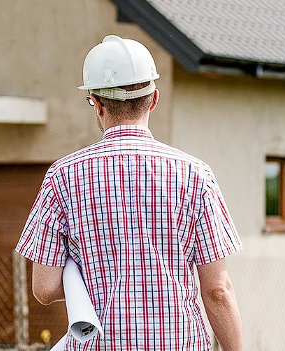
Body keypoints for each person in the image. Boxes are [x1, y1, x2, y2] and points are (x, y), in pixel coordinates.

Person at [15, 35, 243, 351]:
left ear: (95, 102)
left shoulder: (62, 177)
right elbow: (217, 290)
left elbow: (45, 288)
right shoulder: (195, 175)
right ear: (153, 99)